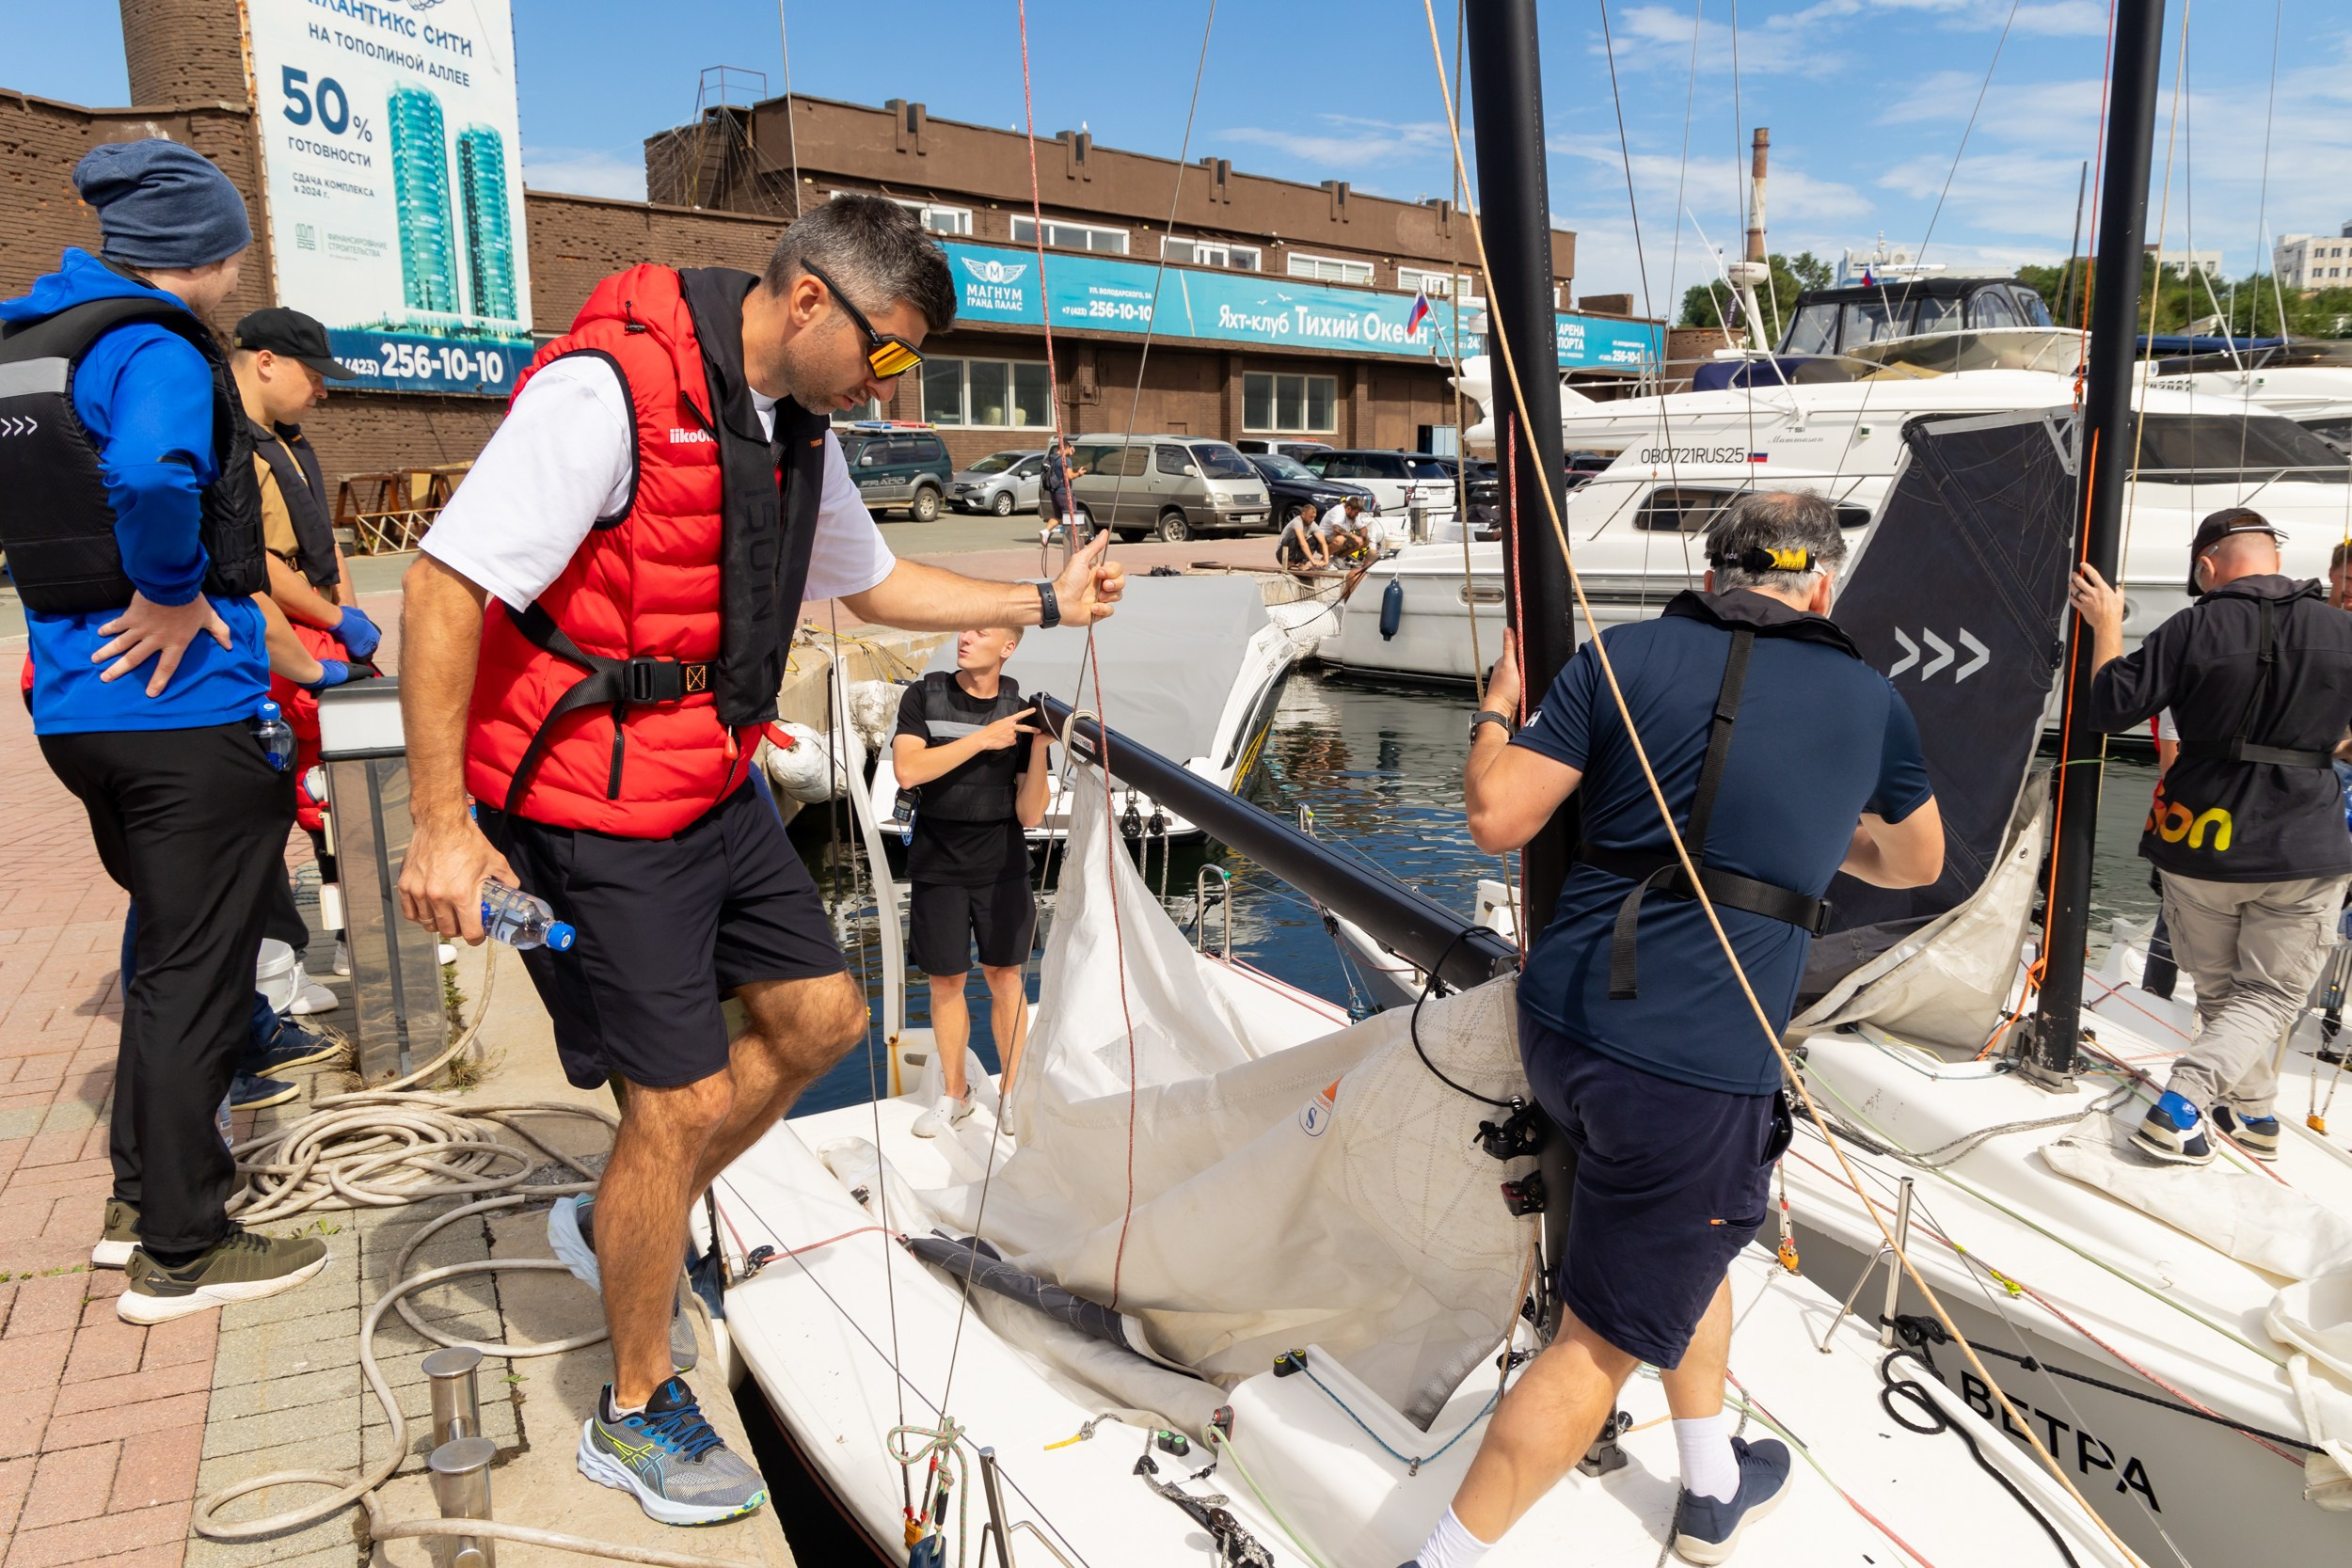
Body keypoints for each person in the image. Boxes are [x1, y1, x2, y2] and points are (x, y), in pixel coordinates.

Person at [395, 194, 1123, 1526]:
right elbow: (443, 584)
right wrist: (441, 823)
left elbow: (874, 582)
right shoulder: (606, 393)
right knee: (669, 1105)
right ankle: (633, 1404)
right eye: (887, 352)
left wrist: (1041, 599)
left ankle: (623, 1218)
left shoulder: (798, 428)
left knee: (821, 1020)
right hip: (590, 799)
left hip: (710, 780)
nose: (890, 386)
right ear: (807, 301)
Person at [1422, 490, 1944, 1568]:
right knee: (1594, 1348)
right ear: (1823, 587)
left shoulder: (1620, 658)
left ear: (1710, 575)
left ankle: (1710, 1483)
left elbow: (1495, 815)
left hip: (1561, 1027)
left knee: (1685, 1248)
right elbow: (1915, 861)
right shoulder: (1869, 700)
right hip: (1694, 1069)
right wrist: (1804, 842)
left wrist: (1495, 711)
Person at [0, 140, 337, 1324]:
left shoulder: (29, 344)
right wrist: (171, 587)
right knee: (199, 973)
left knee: (162, 954)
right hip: (180, 710)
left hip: (73, 707)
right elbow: (152, 476)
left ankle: (139, 1202)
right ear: (213, 247)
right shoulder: (154, 344)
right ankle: (185, 1248)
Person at [2069, 507, 2352, 1164]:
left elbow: (2109, 707)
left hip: (2198, 838)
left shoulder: (2190, 626)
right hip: (2300, 845)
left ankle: (2252, 1111)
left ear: (2206, 567)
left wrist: (2107, 625)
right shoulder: (2342, 631)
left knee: (2224, 991)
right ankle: (2184, 1103)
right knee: (2272, 993)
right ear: (2276, 559)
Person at [233, 305, 373, 995]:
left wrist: (349, 615)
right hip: (274, 638)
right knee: (271, 805)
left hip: (317, 627)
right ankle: (278, 969)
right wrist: (331, 620)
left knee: (340, 789)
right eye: (313, 375)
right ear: (266, 362)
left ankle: (356, 937)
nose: (322, 390)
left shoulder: (286, 438)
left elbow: (323, 538)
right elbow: (254, 561)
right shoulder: (228, 439)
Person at [891, 626, 1052, 1137]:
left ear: (1007, 648)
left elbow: (1030, 815)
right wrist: (982, 738)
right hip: (937, 861)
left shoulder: (1021, 712)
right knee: (946, 981)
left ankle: (1012, 1093)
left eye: (982, 630)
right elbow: (908, 770)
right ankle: (955, 1094)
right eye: (965, 627)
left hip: (1002, 864)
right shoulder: (924, 695)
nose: (966, 636)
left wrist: (1039, 748)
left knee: (1005, 978)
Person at [1039, 433, 1089, 553]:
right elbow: (1069, 476)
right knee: (1071, 517)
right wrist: (1079, 473)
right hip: (1064, 493)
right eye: (1070, 448)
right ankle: (1071, 542)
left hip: (1054, 492)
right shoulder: (1065, 460)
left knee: (1058, 516)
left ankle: (1046, 531)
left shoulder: (1052, 458)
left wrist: (1069, 453)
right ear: (1066, 447)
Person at [1278, 502, 1330, 574]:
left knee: (1316, 539)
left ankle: (1302, 564)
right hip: (1282, 554)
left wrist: (1326, 561)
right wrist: (1313, 561)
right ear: (1303, 515)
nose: (1312, 519)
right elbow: (1302, 542)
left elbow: (1323, 543)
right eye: (1311, 517)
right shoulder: (1297, 522)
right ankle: (1289, 562)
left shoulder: (1313, 525)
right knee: (1295, 535)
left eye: (1314, 517)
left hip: (1297, 554)